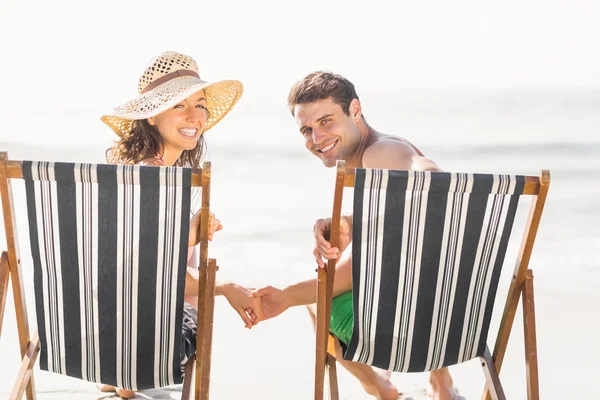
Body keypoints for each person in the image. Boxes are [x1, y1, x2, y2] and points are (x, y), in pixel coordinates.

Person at [251, 71, 458, 400]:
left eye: (326, 121)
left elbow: (427, 175)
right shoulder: (376, 154)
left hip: (402, 331)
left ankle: (383, 390)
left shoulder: (380, 153)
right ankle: (442, 385)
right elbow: (395, 227)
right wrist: (342, 223)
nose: (317, 138)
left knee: (316, 301)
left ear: (355, 110)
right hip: (455, 323)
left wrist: (289, 296)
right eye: (307, 129)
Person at [99, 50, 259, 398]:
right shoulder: (156, 179)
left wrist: (188, 235)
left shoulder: (135, 174)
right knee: (195, 313)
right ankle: (130, 378)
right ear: (152, 117)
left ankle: (116, 377)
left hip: (93, 335)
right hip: (146, 340)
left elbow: (127, 265)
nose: (195, 116)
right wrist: (226, 286)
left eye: (199, 104)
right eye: (178, 105)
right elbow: (155, 275)